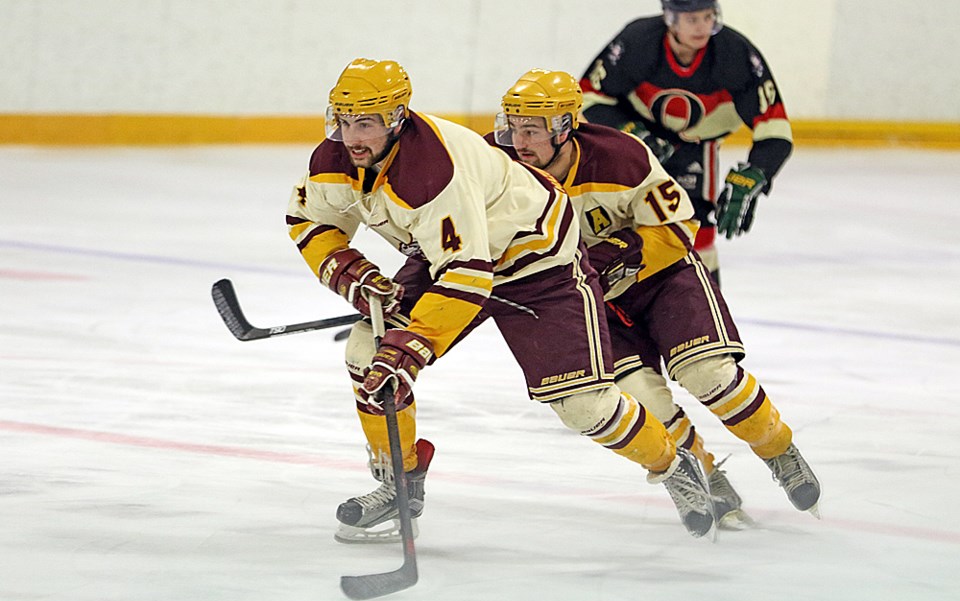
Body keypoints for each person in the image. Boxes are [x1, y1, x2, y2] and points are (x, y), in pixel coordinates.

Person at [286, 58, 717, 543]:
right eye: (343, 122)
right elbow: (310, 222)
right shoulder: (334, 160)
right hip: (454, 257)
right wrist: (352, 273)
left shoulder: (432, 172)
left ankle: (672, 463)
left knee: (582, 404)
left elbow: (467, 278)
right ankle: (399, 482)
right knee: (367, 356)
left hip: (538, 264)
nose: (351, 137)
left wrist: (408, 348)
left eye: (364, 122)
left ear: (397, 118)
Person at [487, 68, 820, 525]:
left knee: (709, 374)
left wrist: (619, 252)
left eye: (532, 130)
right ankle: (702, 474)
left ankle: (777, 449)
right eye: (512, 127)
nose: (518, 141)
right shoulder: (495, 167)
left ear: (565, 128)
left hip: (661, 280)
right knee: (642, 400)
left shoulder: (622, 157)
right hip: (591, 302)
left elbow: (680, 225)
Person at [579, 0, 792, 285]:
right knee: (620, 225)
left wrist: (758, 172)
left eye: (708, 17)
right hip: (636, 147)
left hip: (697, 146)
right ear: (670, 18)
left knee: (698, 228)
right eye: (692, 19)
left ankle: (706, 310)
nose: (702, 27)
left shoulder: (734, 52)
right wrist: (630, 132)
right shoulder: (638, 41)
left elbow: (775, 127)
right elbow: (590, 96)